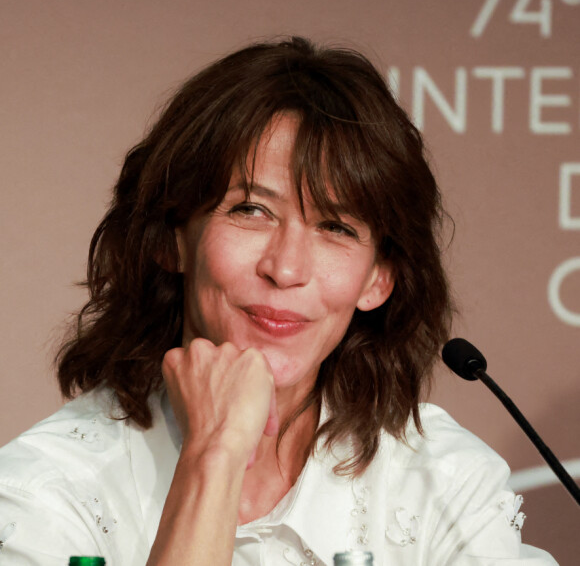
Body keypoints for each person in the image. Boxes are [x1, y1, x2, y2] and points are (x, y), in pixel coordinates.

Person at [0, 37, 557, 565]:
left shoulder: (442, 481)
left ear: (379, 279)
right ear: (173, 237)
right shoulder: (47, 490)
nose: (286, 268)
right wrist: (213, 459)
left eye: (336, 227)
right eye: (250, 210)